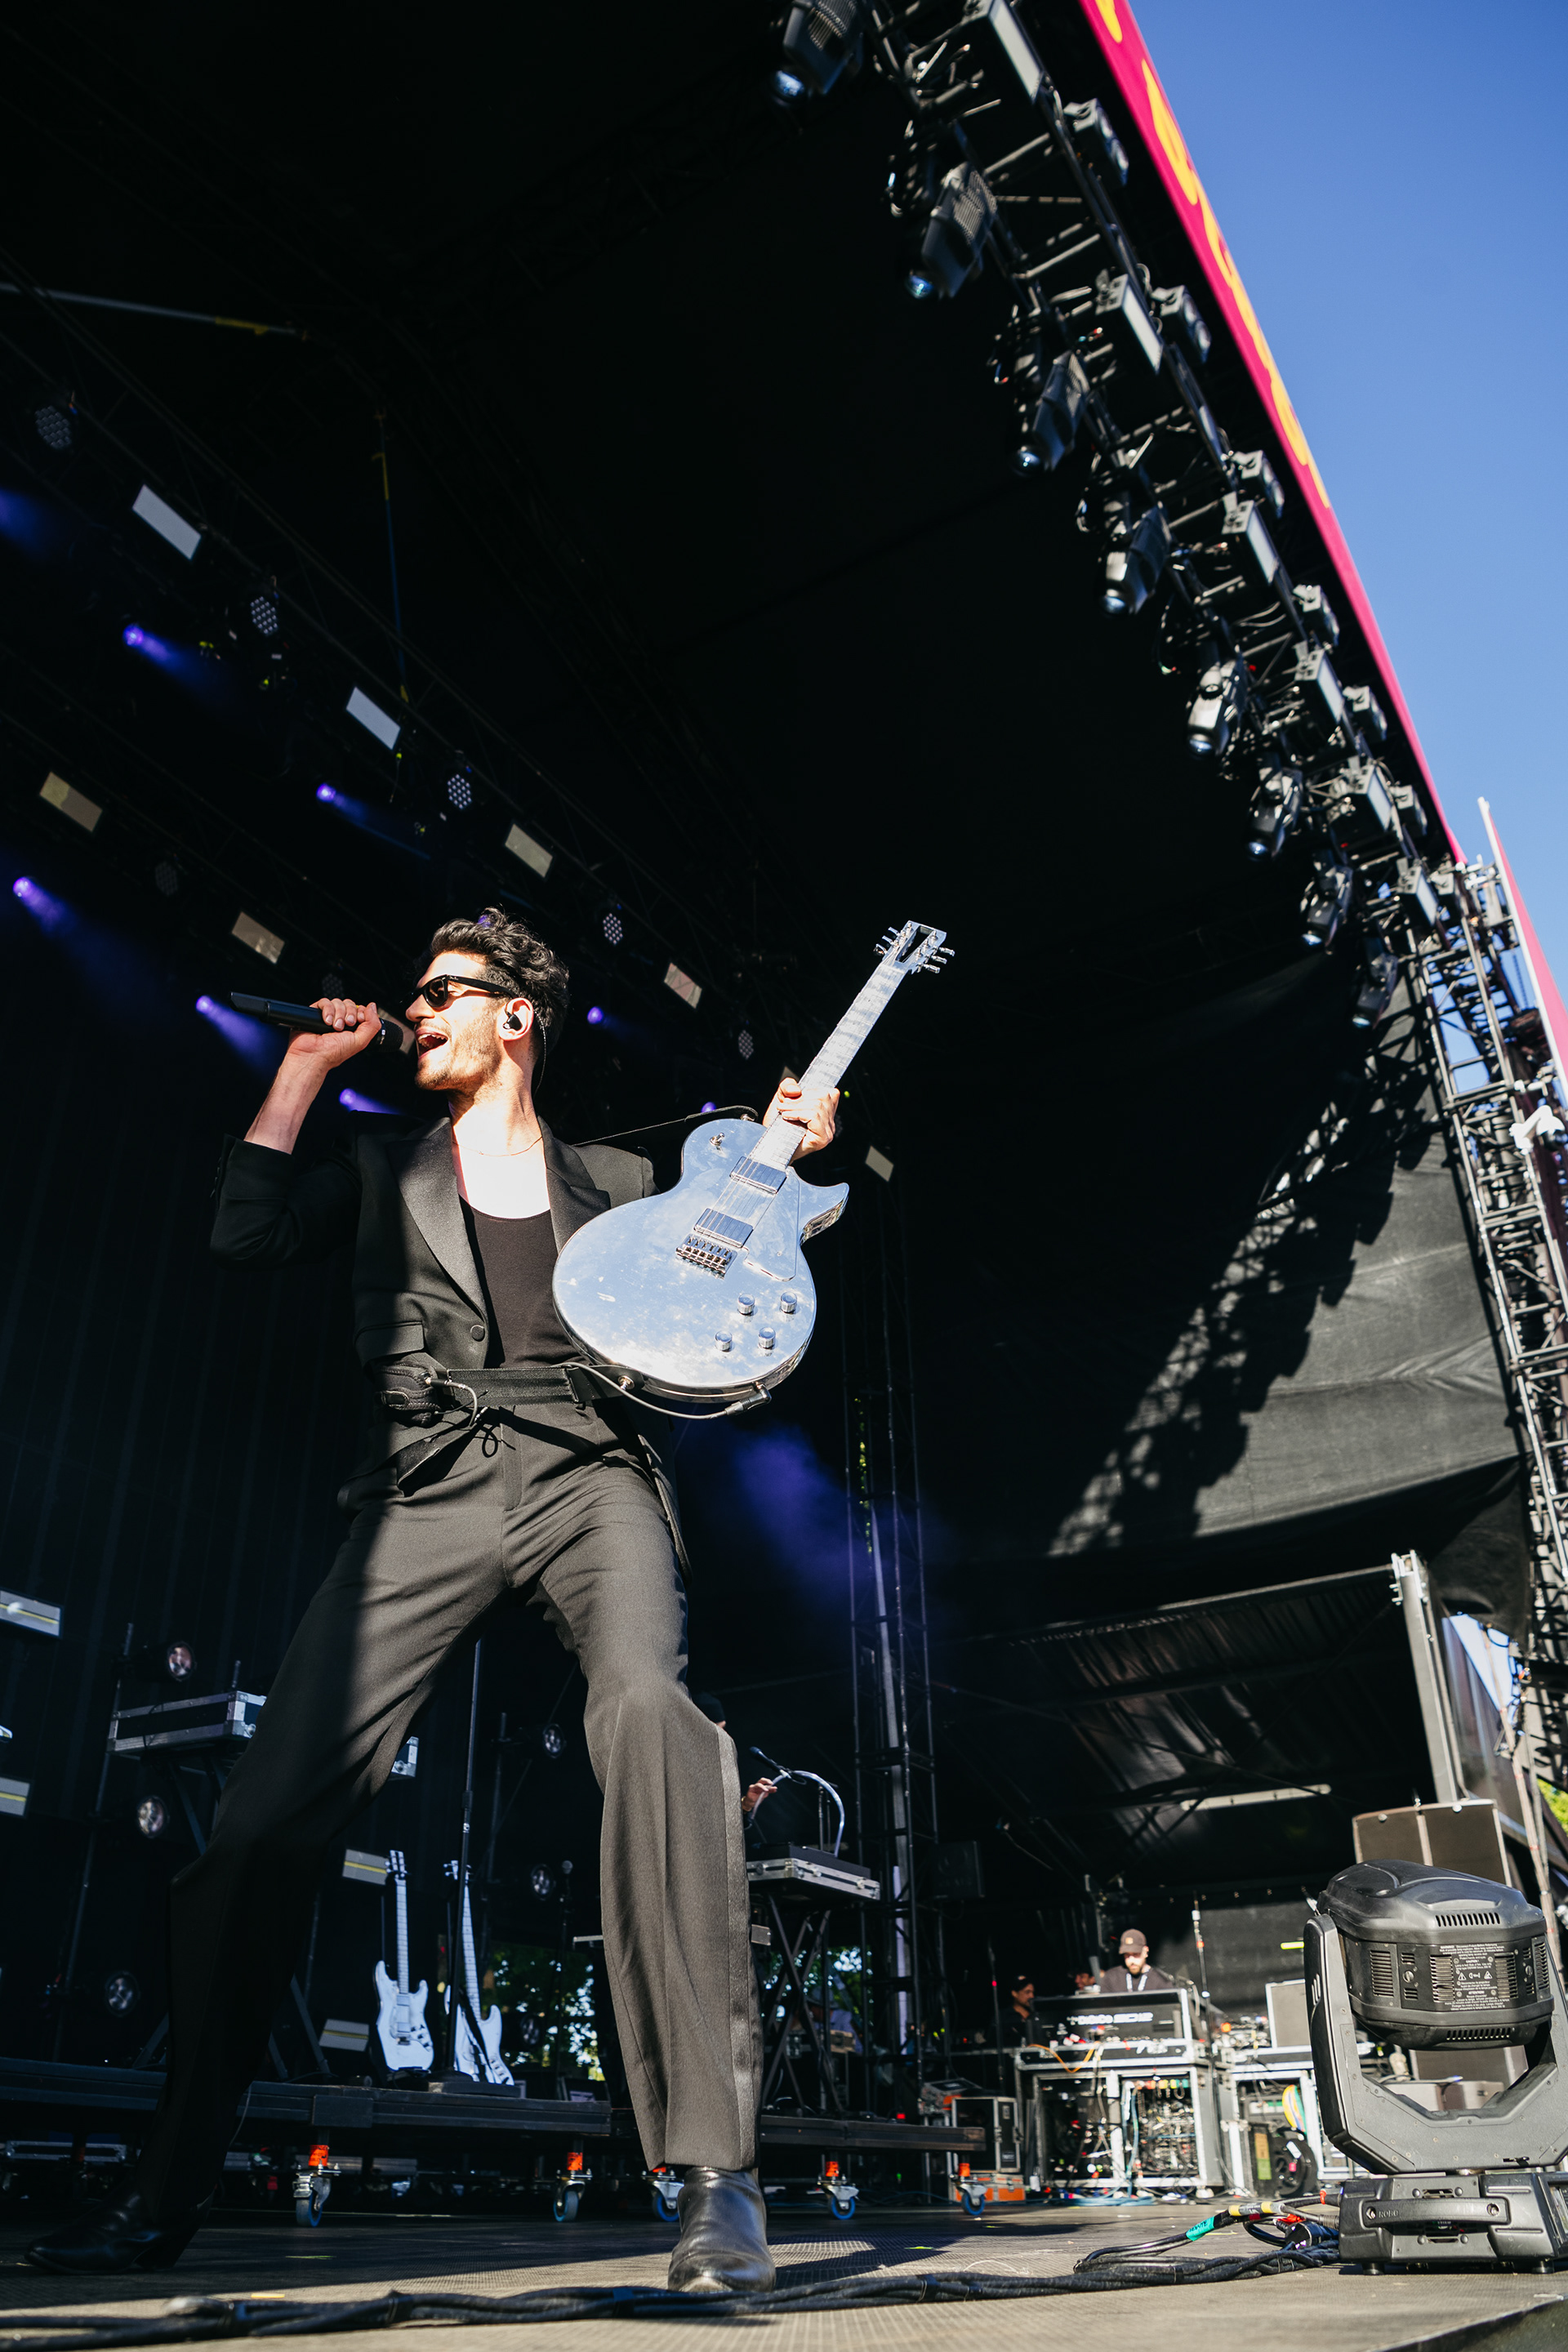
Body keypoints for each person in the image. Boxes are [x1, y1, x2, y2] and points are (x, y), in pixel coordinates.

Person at [29, 910, 839, 2292]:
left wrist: (790, 1153)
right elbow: (242, 1234)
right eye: (413, 998)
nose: (417, 1014)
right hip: (425, 1487)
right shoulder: (375, 1168)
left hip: (591, 1472)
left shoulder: (621, 1176)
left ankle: (717, 2181)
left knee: (651, 1715)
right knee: (261, 1818)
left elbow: (751, 1249)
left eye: (441, 995)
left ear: (515, 1016)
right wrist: (299, 1066)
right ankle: (170, 2181)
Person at [1097, 1928, 1175, 1994]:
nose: (1131, 1960)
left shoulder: (1161, 1981)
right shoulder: (1111, 1978)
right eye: (1127, 1955)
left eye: (1136, 1954)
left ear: (1145, 1952)